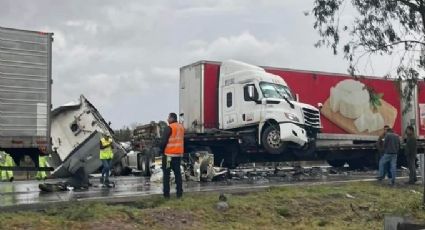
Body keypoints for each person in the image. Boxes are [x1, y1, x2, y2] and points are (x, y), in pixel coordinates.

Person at [160, 112, 184, 199]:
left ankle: (166, 195)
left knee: (166, 175)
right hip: (178, 156)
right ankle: (179, 194)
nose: (167, 119)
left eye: (168, 118)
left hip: (169, 156)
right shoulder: (181, 128)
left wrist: (161, 151)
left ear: (172, 118)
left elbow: (163, 141)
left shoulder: (169, 128)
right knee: (178, 175)